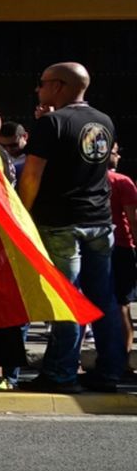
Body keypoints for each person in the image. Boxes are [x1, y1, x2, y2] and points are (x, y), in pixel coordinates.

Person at [18, 62, 124, 392]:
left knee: (67, 297)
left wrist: (23, 214)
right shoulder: (103, 120)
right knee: (103, 297)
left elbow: (32, 174)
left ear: (60, 86)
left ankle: (61, 374)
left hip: (61, 221)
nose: (39, 89)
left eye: (43, 83)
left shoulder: (52, 122)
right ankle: (110, 370)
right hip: (99, 221)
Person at [107, 142, 137, 365]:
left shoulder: (88, 180)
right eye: (116, 153)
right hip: (122, 247)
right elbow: (133, 220)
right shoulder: (123, 182)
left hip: (95, 247)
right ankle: (124, 357)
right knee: (122, 303)